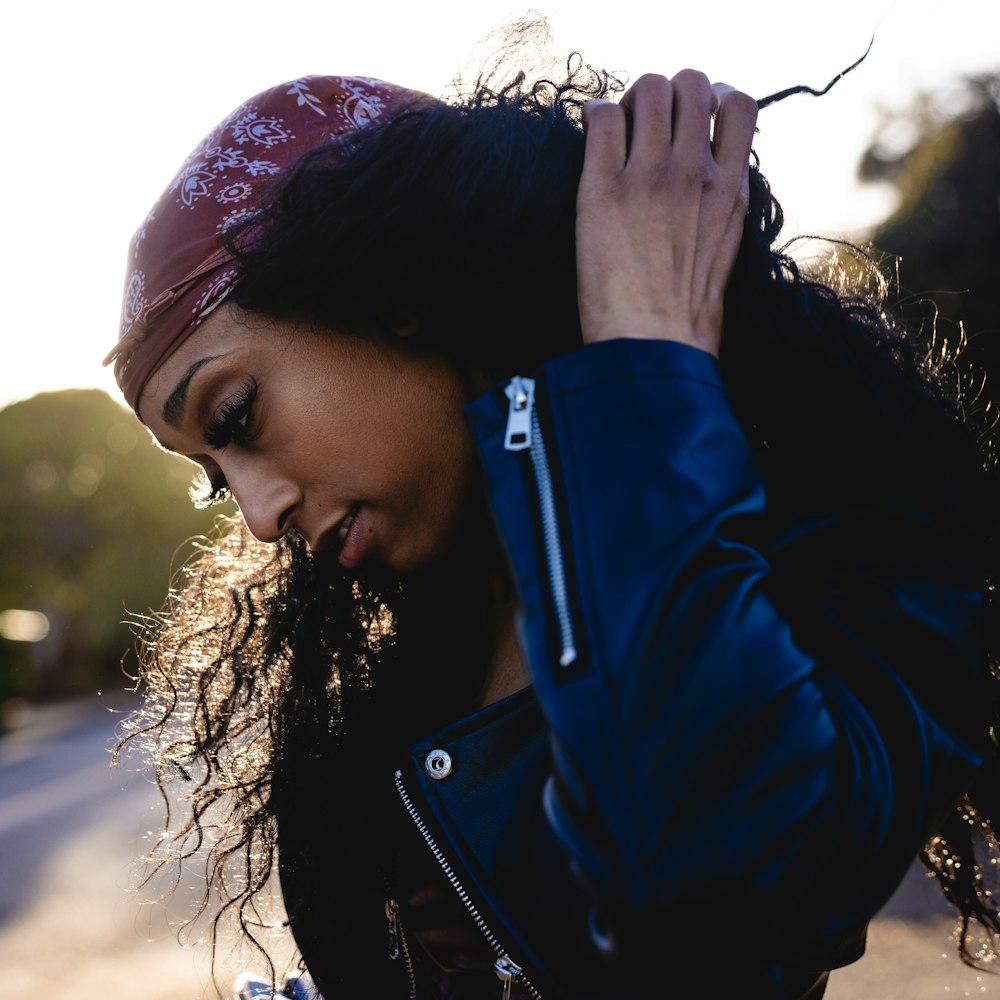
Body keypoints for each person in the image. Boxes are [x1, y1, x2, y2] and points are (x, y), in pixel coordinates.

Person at [106, 53, 1000, 1000]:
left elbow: (737, 878)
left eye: (237, 417)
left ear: (382, 292)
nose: (255, 515)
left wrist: (643, 353)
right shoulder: (401, 659)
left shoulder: (848, 550)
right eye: (215, 478)